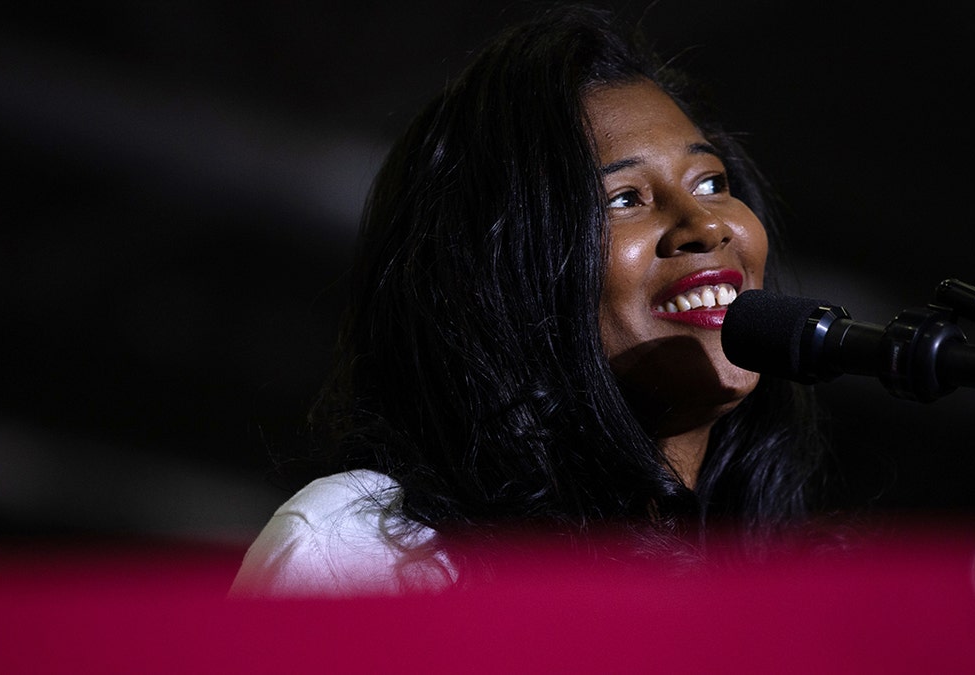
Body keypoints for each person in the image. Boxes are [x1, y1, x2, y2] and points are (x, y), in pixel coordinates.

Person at [229, 3, 830, 598]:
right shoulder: (367, 547)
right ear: (500, 277)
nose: (706, 225)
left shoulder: (784, 589)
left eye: (710, 183)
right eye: (623, 198)